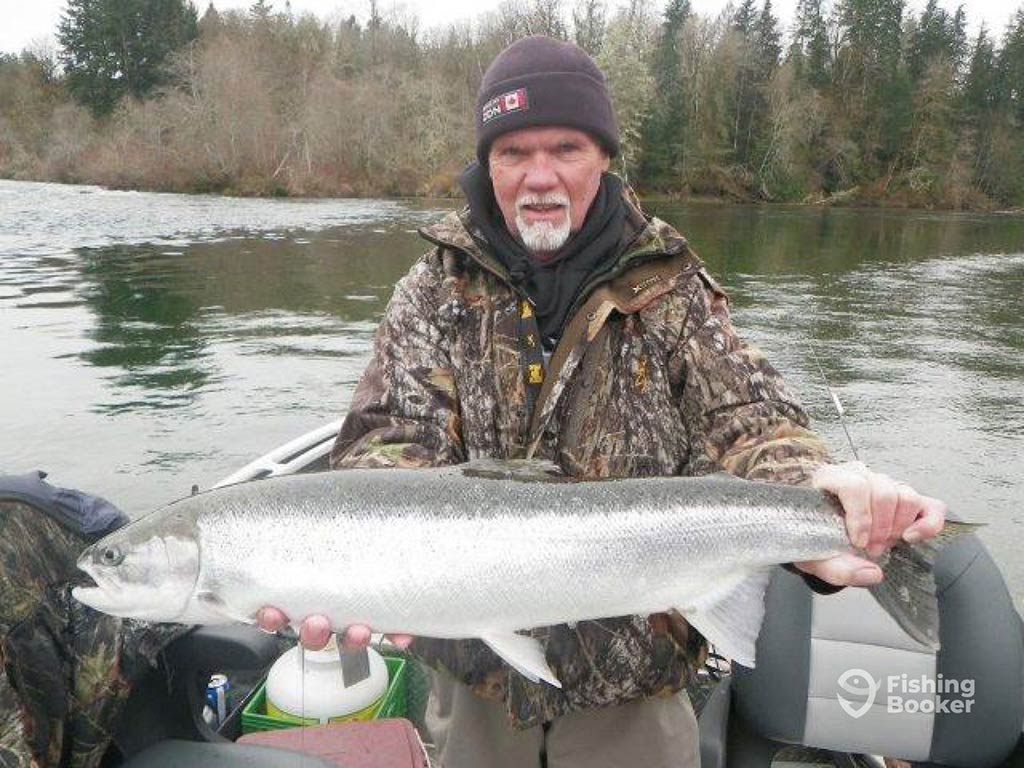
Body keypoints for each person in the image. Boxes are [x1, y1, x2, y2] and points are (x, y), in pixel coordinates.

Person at [0, 34, 944, 768]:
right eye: (516, 150)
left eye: (566, 148)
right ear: (488, 162)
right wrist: (347, 575)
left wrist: (823, 489)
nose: (540, 174)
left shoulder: (672, 288)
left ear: (602, 159)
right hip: (477, 691)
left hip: (637, 692)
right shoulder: (431, 291)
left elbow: (752, 422)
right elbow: (383, 449)